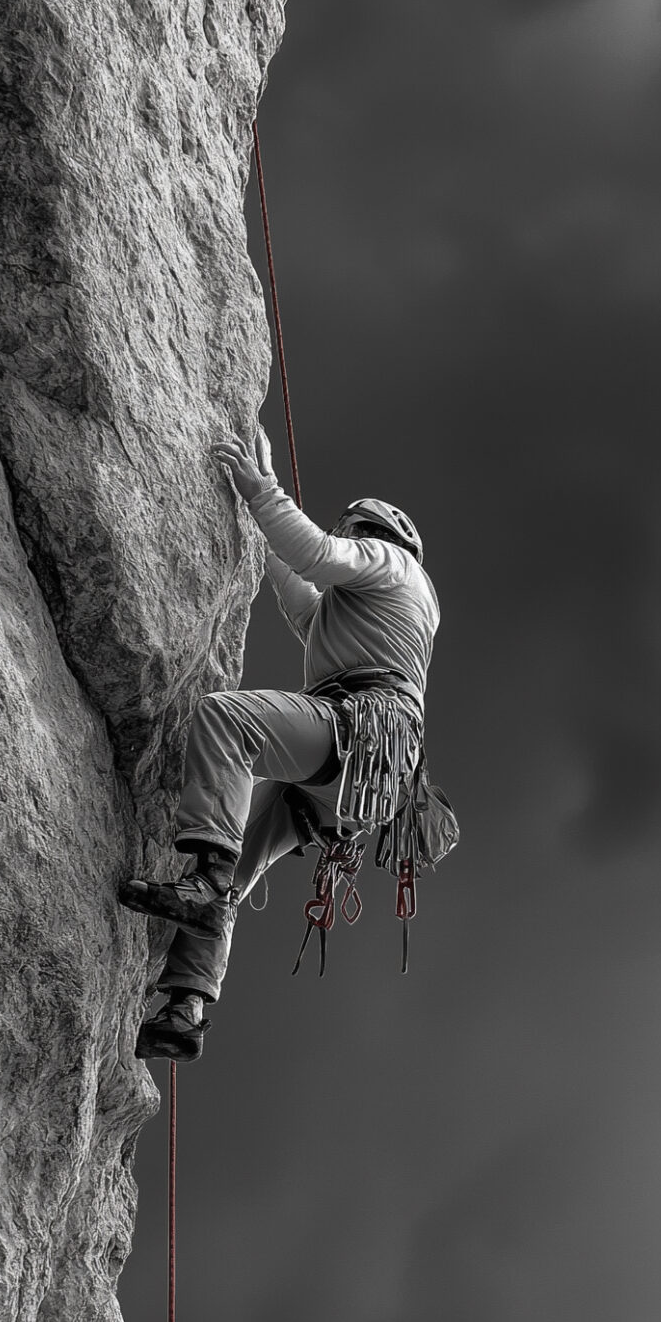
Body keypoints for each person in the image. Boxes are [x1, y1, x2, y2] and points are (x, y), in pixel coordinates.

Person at [120, 428, 443, 1060]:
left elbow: (319, 555)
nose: (347, 538)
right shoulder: (365, 613)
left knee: (227, 720)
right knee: (239, 863)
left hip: (359, 733)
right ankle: (185, 1008)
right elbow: (302, 592)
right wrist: (254, 513)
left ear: (372, 532)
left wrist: (263, 492)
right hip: (363, 777)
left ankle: (206, 881)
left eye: (353, 530)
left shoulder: (395, 565)